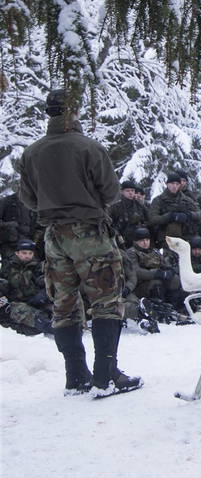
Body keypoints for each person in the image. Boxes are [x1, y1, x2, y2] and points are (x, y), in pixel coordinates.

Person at [18, 88, 142, 397]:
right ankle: (106, 375)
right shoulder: (89, 148)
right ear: (74, 113)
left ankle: (75, 376)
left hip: (54, 236)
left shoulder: (31, 153)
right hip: (90, 233)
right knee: (106, 301)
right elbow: (112, 194)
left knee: (64, 304)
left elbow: (28, 199)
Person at [0, 239, 53, 335]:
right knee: (26, 312)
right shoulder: (7, 267)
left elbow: (49, 284)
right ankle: (52, 329)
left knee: (56, 311)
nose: (27, 256)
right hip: (13, 305)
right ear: (17, 253)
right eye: (24, 253)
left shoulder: (38, 267)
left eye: (30, 253)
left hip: (35, 302)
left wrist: (43, 294)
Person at [149, 173, 201, 246]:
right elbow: (152, 219)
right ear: (167, 184)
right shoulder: (158, 200)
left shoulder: (186, 200)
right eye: (172, 183)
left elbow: (199, 214)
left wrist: (188, 215)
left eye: (177, 184)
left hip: (185, 238)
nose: (174, 186)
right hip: (166, 239)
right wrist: (170, 216)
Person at [109, 180, 149, 247]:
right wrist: (116, 234)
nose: (130, 193)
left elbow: (148, 218)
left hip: (139, 240)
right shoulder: (115, 207)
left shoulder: (139, 205)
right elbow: (110, 224)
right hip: (122, 241)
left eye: (132, 190)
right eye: (127, 191)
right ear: (122, 192)